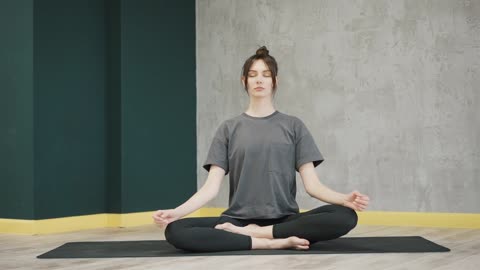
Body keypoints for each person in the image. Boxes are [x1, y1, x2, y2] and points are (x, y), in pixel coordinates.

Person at [152, 46, 370, 252]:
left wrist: (344, 199)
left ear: (275, 81)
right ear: (244, 81)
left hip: (285, 219)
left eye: (266, 74)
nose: (259, 80)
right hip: (237, 220)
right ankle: (269, 243)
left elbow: (312, 186)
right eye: (253, 74)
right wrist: (176, 212)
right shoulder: (228, 128)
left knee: (346, 216)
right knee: (176, 231)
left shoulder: (294, 126)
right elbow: (210, 188)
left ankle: (258, 234)